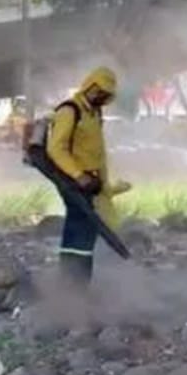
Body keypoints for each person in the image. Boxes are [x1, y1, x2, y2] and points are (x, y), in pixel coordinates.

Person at [45, 67, 131, 289]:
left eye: (106, 94)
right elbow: (56, 149)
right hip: (73, 180)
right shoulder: (69, 111)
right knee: (81, 226)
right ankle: (74, 287)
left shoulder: (93, 114)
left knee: (84, 228)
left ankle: (75, 285)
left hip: (91, 182)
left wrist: (105, 186)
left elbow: (98, 155)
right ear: (89, 86)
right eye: (99, 91)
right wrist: (78, 175)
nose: (101, 97)